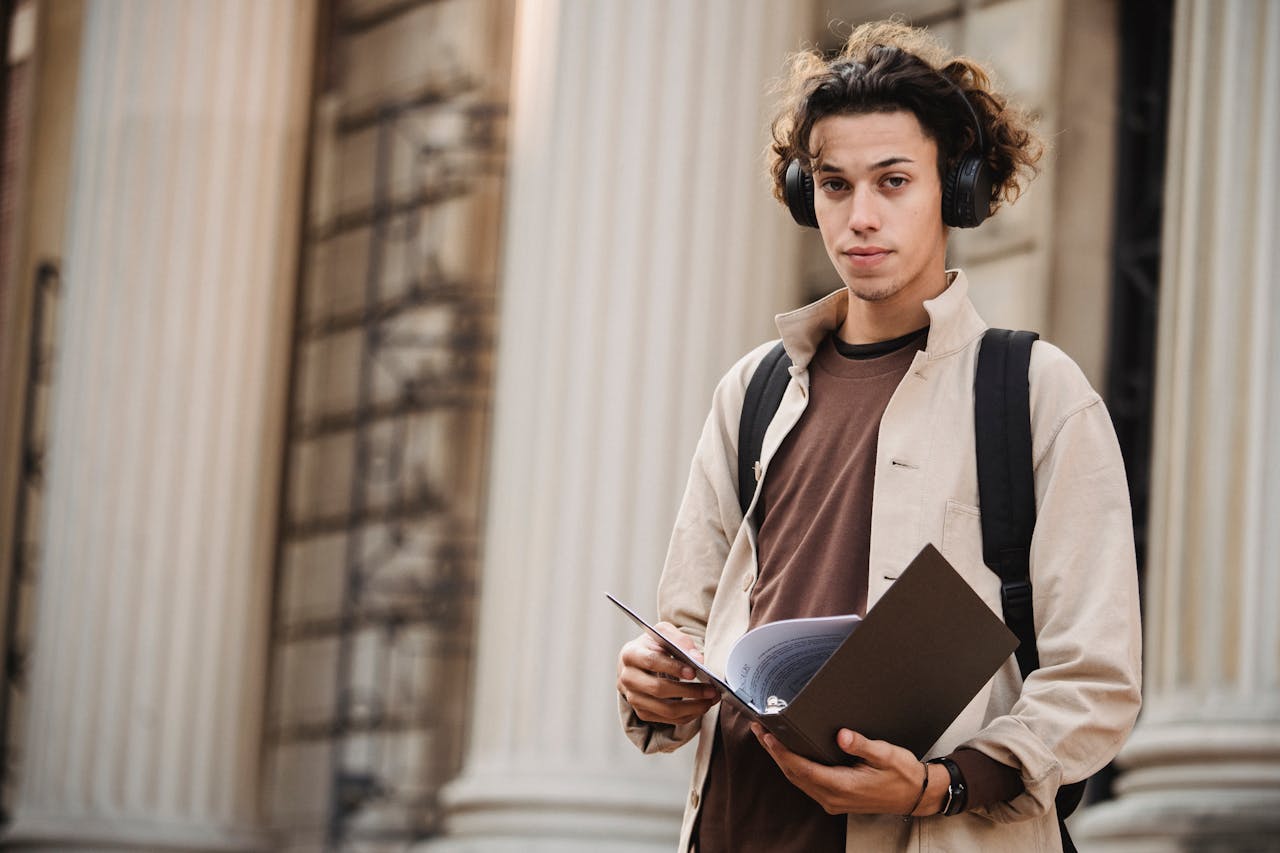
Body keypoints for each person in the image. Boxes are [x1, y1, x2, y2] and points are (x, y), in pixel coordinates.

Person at [614, 19, 1142, 853]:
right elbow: (683, 628)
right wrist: (653, 680)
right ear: (805, 193)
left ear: (957, 189)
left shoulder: (1038, 393)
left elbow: (1096, 681)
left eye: (893, 181)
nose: (860, 216)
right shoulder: (748, 392)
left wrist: (939, 785)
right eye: (834, 184)